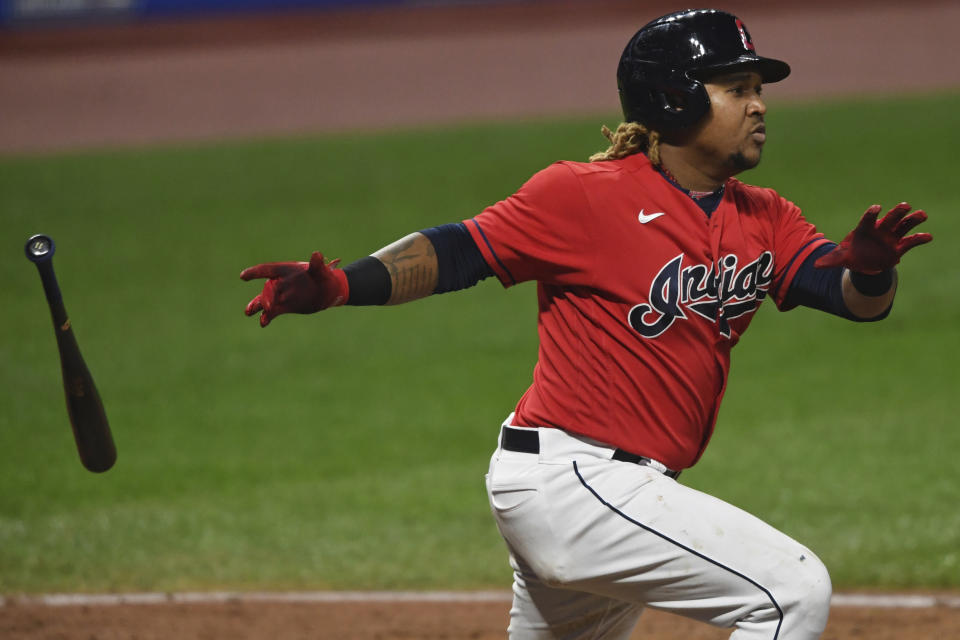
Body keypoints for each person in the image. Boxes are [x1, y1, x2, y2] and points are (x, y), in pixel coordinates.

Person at [240, 9, 932, 639]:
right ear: (674, 97)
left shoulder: (765, 216)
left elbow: (847, 297)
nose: (758, 106)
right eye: (737, 88)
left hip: (615, 490)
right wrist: (338, 285)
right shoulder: (583, 196)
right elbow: (458, 250)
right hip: (574, 485)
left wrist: (870, 270)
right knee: (791, 592)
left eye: (758, 88)